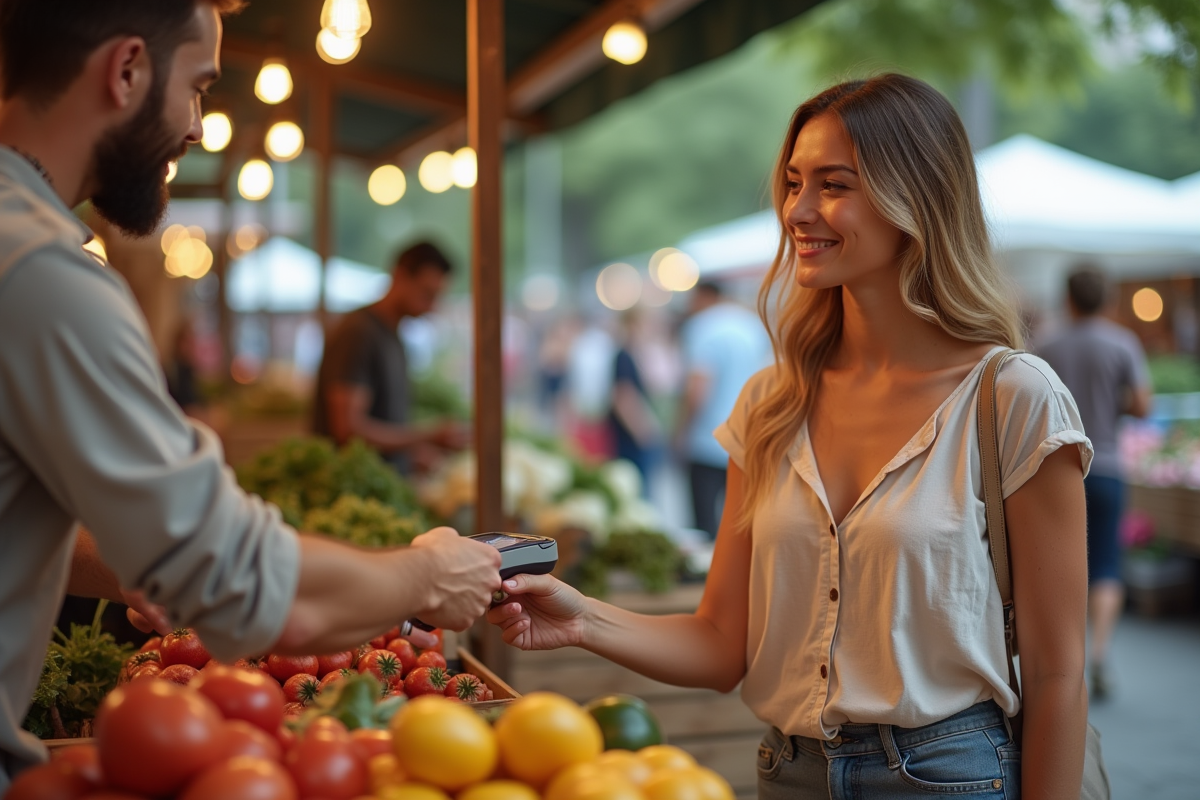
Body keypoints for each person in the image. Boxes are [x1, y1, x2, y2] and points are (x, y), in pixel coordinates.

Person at [489, 74, 1093, 798]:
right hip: (787, 773)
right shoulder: (772, 403)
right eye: (794, 182)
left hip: (951, 775)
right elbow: (721, 644)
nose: (798, 211)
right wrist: (580, 615)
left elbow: (1059, 675)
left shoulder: (1012, 398)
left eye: (834, 185)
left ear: (918, 199)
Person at [0, 1, 501, 788]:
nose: (198, 126)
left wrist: (127, 561)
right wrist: (427, 577)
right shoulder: (41, 273)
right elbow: (249, 589)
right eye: (198, 86)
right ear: (126, 70)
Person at [1037, 265, 1152, 700]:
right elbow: (1142, 406)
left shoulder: (1046, 343)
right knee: (1105, 563)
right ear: (1107, 299)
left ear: (1068, 298)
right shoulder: (1122, 343)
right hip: (1106, 465)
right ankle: (1100, 652)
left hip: (1056, 469)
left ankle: (1065, 661)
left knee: (1056, 567)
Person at [313, 241, 466, 476]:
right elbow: (347, 429)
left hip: (379, 483)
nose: (432, 307)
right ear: (400, 275)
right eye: (427, 294)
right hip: (355, 486)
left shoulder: (391, 334)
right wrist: (428, 436)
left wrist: (413, 454)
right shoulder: (359, 333)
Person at [676, 281, 770, 538]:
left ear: (704, 295)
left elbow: (698, 389)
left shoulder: (702, 327)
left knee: (704, 526)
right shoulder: (752, 326)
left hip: (707, 440)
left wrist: (680, 431)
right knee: (741, 525)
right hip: (746, 439)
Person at [608, 310, 662, 488]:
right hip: (631, 438)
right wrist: (642, 431)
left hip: (632, 435)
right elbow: (623, 397)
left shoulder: (630, 355)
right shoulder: (624, 356)